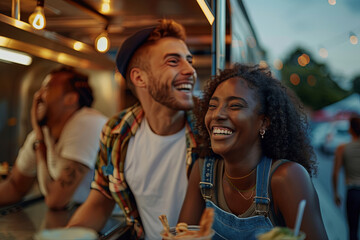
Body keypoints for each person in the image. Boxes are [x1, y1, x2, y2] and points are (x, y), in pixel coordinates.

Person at [67, 19, 199, 240]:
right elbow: (100, 203)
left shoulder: (211, 129)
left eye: (189, 60)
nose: (190, 70)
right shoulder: (117, 131)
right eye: (173, 61)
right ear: (140, 77)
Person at [179, 64, 329, 240]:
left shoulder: (287, 178)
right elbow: (182, 235)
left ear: (264, 123)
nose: (217, 114)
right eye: (212, 105)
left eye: (235, 106)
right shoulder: (203, 172)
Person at [0, 66, 107, 210]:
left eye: (47, 88)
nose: (37, 96)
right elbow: (15, 187)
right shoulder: (43, 134)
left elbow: (55, 200)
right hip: (79, 214)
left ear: (70, 99)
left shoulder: (87, 124)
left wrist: (39, 137)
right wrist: (39, 136)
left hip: (114, 221)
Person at [332, 115, 360, 240]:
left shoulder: (342, 148)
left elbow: (335, 173)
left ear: (351, 129)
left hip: (353, 192)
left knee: (352, 230)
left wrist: (336, 193)